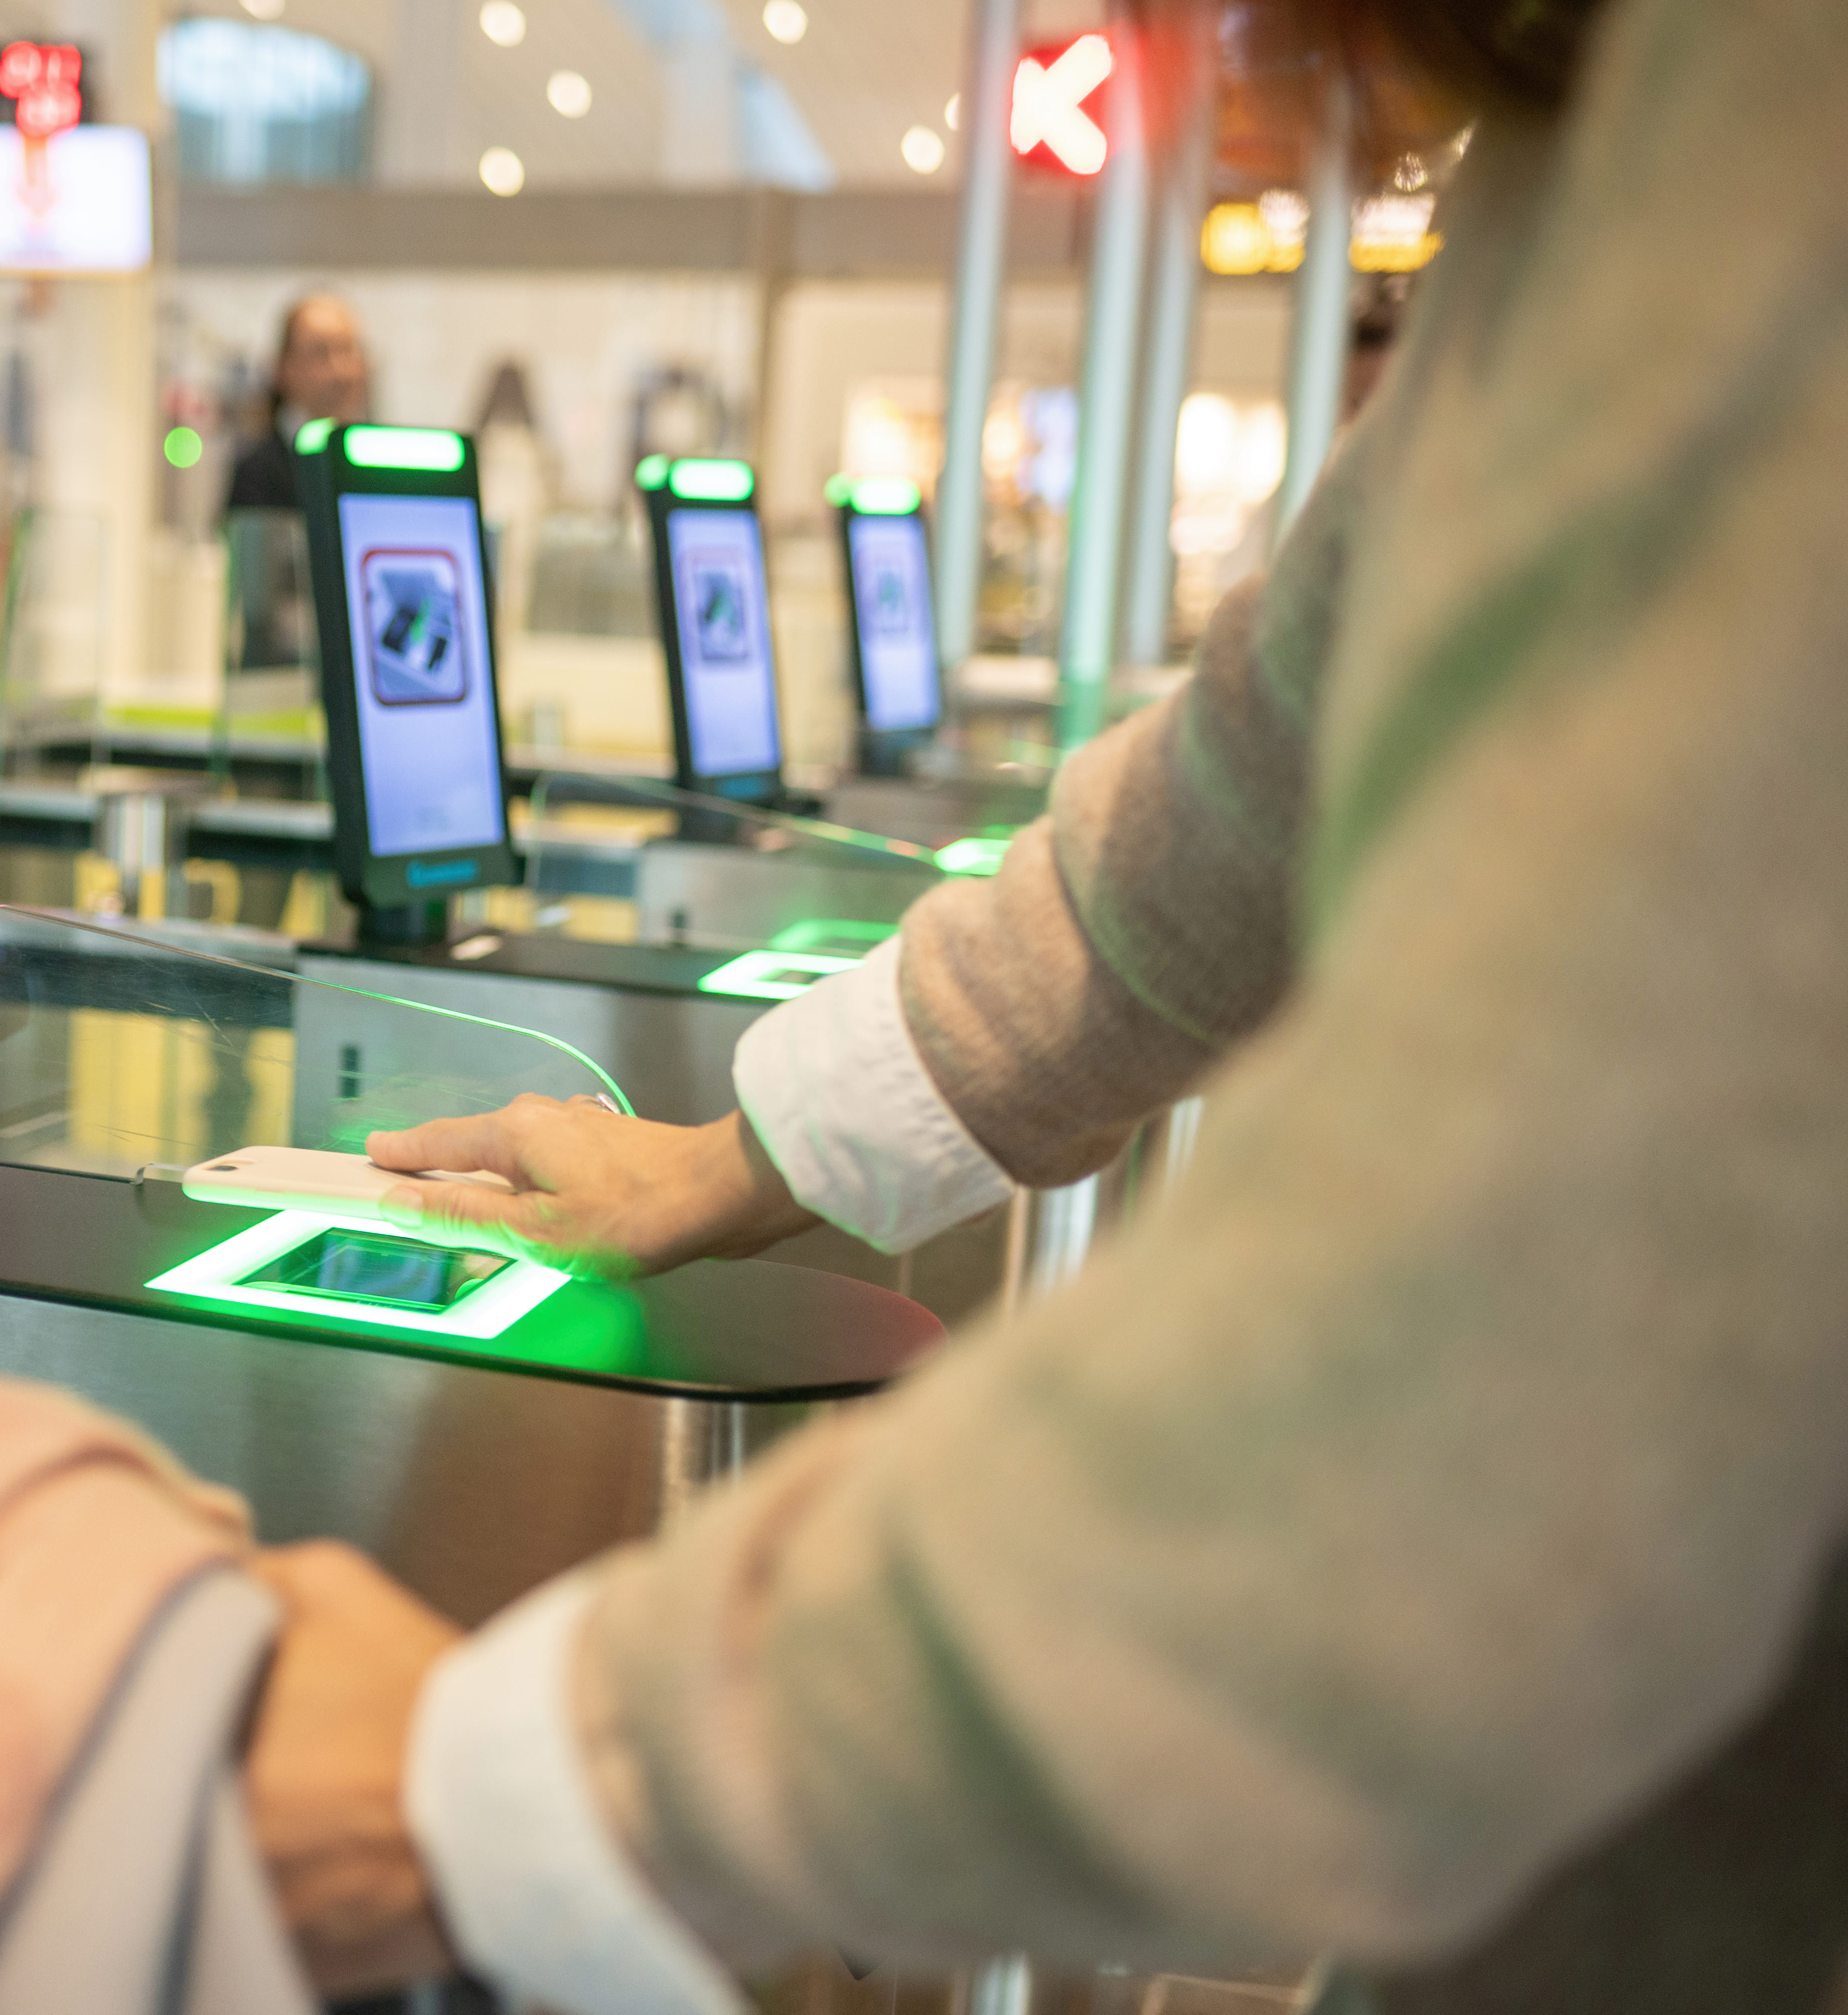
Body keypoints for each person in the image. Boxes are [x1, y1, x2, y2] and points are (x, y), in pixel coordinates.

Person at [241, 0, 1848, 2010]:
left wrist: (516, 1780)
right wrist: (746, 1153)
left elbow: (1490, 1394)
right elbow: (1260, 768)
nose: (1226, 51)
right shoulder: (1608, 143)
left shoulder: (1775, 118)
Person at [225, 293, 372, 515]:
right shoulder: (258, 472)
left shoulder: (375, 461)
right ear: (284, 369)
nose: (340, 371)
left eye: (347, 350)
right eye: (321, 354)